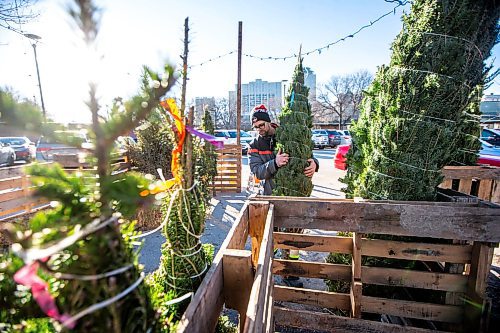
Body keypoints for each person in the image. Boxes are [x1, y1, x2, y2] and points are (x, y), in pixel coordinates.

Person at [248, 104, 318, 288]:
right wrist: (275, 163)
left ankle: (290, 272)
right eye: (255, 127)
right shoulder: (254, 145)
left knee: (294, 235)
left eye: (261, 125)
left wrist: (315, 164)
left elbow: (306, 152)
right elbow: (257, 172)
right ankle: (268, 270)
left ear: (269, 121)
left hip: (294, 196)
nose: (259, 130)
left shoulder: (287, 133)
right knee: (272, 236)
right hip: (272, 197)